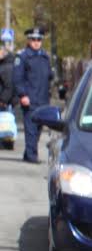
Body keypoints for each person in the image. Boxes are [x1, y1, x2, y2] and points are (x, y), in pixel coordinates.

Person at [15, 28, 54, 163]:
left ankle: (28, 153)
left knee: (38, 129)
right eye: (34, 39)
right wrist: (22, 94)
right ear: (29, 40)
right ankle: (32, 155)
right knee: (31, 129)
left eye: (39, 40)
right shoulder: (23, 56)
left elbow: (49, 75)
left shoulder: (45, 56)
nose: (36, 42)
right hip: (30, 98)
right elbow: (18, 78)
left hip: (42, 98)